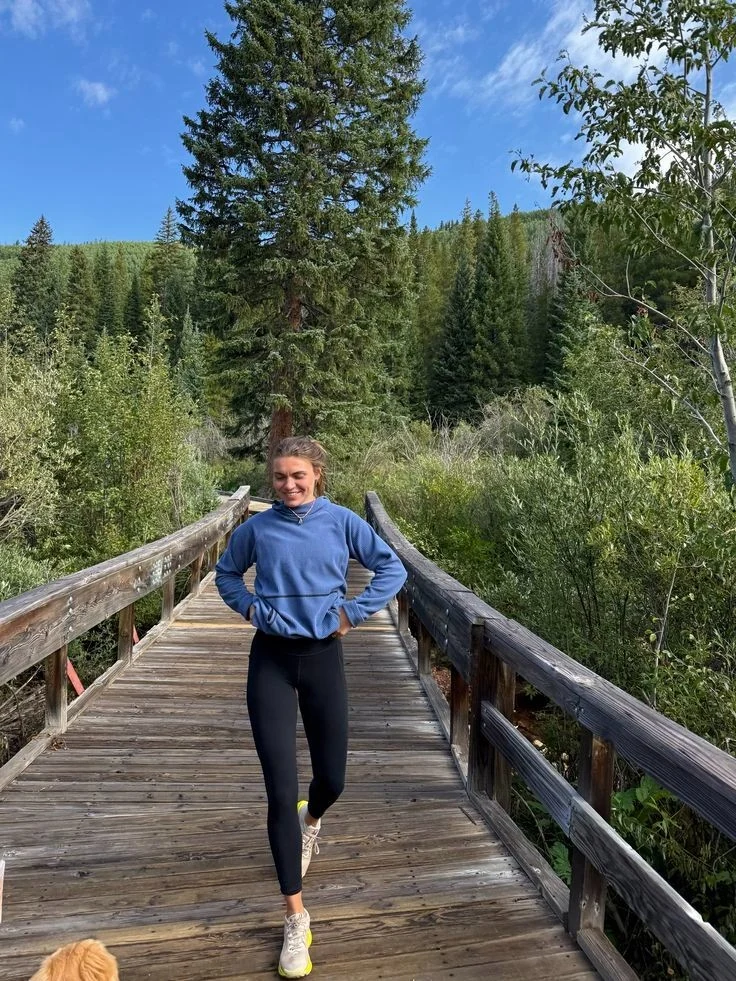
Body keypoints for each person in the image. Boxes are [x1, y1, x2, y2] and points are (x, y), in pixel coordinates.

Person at [214, 436, 407, 979]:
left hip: (324, 658)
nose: (288, 485)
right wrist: (252, 609)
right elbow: (226, 574)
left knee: (333, 779)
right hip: (271, 663)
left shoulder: (342, 522)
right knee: (279, 790)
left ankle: (312, 819)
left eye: (298, 475)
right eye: (280, 477)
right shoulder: (257, 529)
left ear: (317, 474)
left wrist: (351, 614)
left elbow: (392, 569)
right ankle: (295, 917)